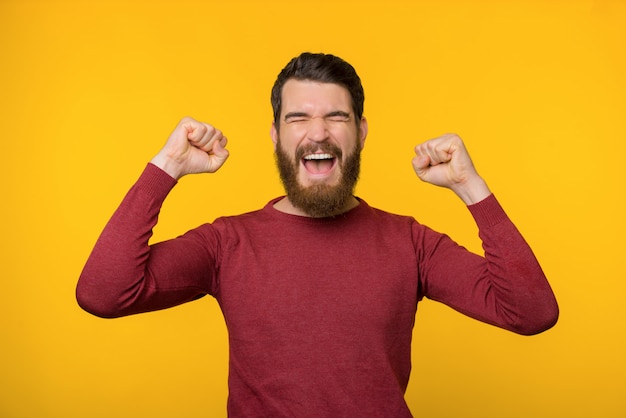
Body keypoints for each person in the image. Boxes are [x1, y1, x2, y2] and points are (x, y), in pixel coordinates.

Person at [77, 52, 559, 417]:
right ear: (275, 135)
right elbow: (104, 293)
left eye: (336, 117)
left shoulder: (410, 243)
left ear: (361, 132)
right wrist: (166, 169)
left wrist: (470, 188)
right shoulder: (227, 243)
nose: (318, 132)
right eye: (298, 117)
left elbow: (532, 312)